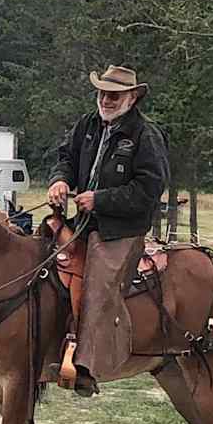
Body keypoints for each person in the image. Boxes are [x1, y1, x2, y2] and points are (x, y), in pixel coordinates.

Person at [46, 65, 169, 397]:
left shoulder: (145, 135)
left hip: (121, 232)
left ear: (131, 97)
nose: (106, 99)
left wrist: (101, 200)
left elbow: (149, 188)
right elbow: (65, 158)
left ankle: (87, 366)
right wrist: (60, 180)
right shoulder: (87, 124)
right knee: (40, 259)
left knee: (99, 284)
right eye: (102, 93)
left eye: (113, 95)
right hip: (83, 224)